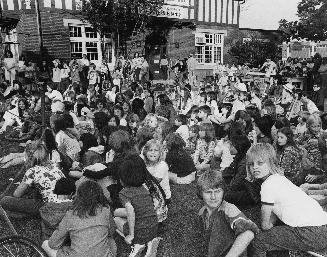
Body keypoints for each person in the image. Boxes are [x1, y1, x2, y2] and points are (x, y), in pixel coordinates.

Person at [246, 143, 327, 257]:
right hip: (322, 228)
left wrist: (266, 227)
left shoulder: (267, 186)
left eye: (260, 163)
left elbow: (265, 224)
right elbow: (273, 213)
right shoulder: (279, 178)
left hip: (310, 234)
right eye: (251, 164)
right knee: (274, 233)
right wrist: (270, 225)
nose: (254, 167)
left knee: (258, 240)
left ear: (271, 163)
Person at [42, 180, 117, 257]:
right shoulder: (106, 210)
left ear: (78, 195)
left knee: (45, 244)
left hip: (76, 254)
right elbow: (112, 231)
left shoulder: (71, 214)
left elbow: (53, 244)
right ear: (100, 195)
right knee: (111, 241)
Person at [197, 171, 258, 257]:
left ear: (223, 191)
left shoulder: (228, 209)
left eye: (217, 191)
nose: (213, 197)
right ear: (200, 193)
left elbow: (248, 233)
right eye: (208, 192)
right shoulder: (202, 212)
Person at [0, 142, 65, 218]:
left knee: (5, 200)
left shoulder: (32, 171)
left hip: (50, 207)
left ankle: (24, 214)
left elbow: (17, 194)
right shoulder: (54, 166)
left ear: (29, 157)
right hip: (65, 204)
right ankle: (26, 214)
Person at [113, 154, 161, 256]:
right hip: (153, 228)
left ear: (123, 177)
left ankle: (137, 245)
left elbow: (130, 212)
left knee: (116, 220)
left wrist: (131, 234)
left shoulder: (124, 193)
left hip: (139, 233)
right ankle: (150, 242)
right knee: (119, 213)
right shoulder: (144, 188)